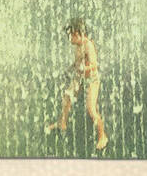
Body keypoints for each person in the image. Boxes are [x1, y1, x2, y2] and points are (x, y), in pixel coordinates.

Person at [46, 18, 108, 151]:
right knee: (67, 97)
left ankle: (103, 135)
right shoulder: (78, 46)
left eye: (70, 35)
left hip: (92, 80)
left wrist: (83, 69)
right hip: (80, 78)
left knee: (91, 109)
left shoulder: (88, 45)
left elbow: (94, 65)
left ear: (78, 33)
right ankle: (62, 123)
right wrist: (70, 68)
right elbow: (78, 62)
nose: (69, 39)